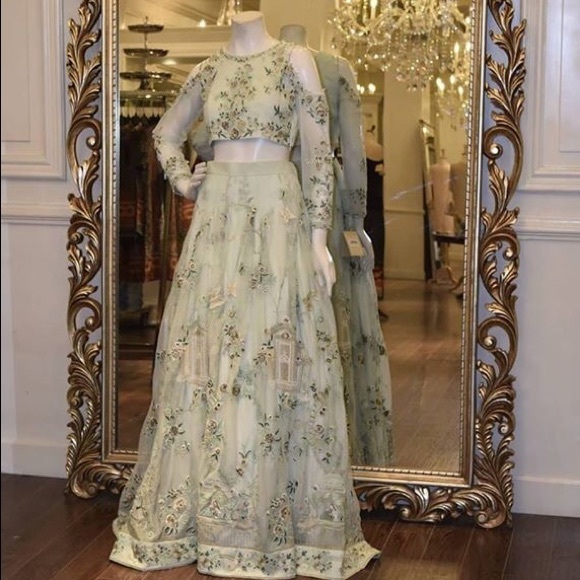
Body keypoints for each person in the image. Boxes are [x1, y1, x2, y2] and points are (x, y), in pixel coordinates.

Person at [109, 11, 380, 579]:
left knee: (275, 352)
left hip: (277, 216)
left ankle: (276, 515)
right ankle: (211, 516)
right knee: (209, 354)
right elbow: (164, 133)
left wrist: (317, 239)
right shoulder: (208, 69)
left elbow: (319, 153)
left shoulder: (294, 60)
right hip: (218, 219)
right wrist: (183, 180)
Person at [279, 24, 393, 467]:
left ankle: (287, 439)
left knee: (283, 314)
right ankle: (326, 442)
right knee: (325, 312)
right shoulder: (335, 68)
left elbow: (205, 141)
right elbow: (354, 149)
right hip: (321, 196)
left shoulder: (264, 64)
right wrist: (357, 220)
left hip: (272, 199)